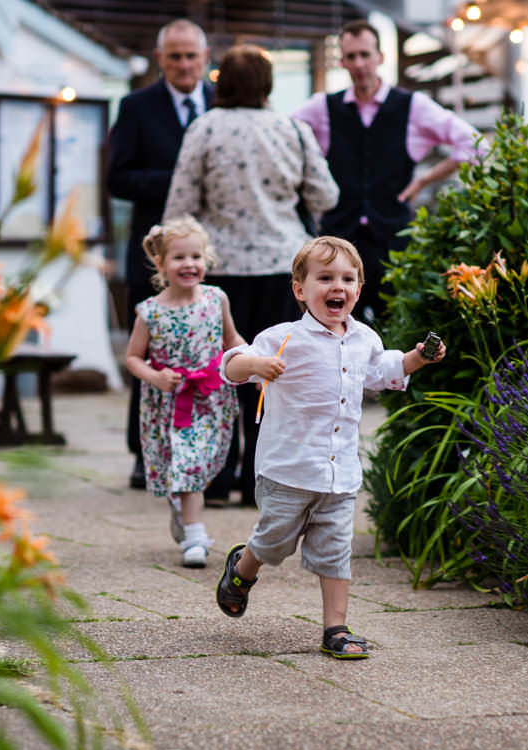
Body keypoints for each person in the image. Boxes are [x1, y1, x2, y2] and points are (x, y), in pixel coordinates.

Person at [214, 236, 445, 658]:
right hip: (287, 469)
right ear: (300, 290)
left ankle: (335, 629)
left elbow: (383, 371)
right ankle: (243, 569)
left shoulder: (364, 339)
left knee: (336, 551)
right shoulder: (283, 338)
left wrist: (416, 358)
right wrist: (256, 365)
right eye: (325, 278)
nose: (337, 286)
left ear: (358, 289)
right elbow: (229, 366)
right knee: (274, 543)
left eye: (347, 278)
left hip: (340, 475)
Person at [163, 43, 339, 507]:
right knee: (273, 373)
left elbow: (179, 203)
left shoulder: (204, 128)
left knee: (221, 370)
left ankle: (219, 478)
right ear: (267, 85)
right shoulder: (292, 130)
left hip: (222, 270)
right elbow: (326, 195)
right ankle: (266, 478)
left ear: (222, 83)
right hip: (282, 265)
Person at [291, 19, 487, 324]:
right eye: (351, 56)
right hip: (337, 242)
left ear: (380, 57)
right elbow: (282, 136)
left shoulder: (413, 106)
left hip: (393, 240)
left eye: (365, 55)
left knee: (396, 325)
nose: (359, 64)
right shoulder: (322, 107)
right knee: (330, 328)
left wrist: (424, 179)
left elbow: (474, 144)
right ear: (341, 61)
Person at [107, 19, 215, 492]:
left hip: (208, 254)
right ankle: (141, 453)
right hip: (154, 255)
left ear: (205, 58)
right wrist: (180, 178)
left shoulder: (222, 103)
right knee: (148, 355)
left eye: (192, 56)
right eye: (176, 57)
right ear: (160, 60)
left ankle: (203, 454)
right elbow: (118, 178)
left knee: (207, 359)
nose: (185, 65)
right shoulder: (135, 107)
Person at [123, 216, 245, 568]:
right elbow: (132, 357)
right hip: (170, 401)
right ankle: (195, 534)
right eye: (179, 257)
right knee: (186, 464)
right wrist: (156, 377)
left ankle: (182, 510)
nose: (189, 264)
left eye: (196, 256)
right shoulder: (150, 312)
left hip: (211, 397)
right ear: (160, 264)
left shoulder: (215, 299)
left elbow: (230, 339)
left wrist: (248, 355)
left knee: (201, 465)